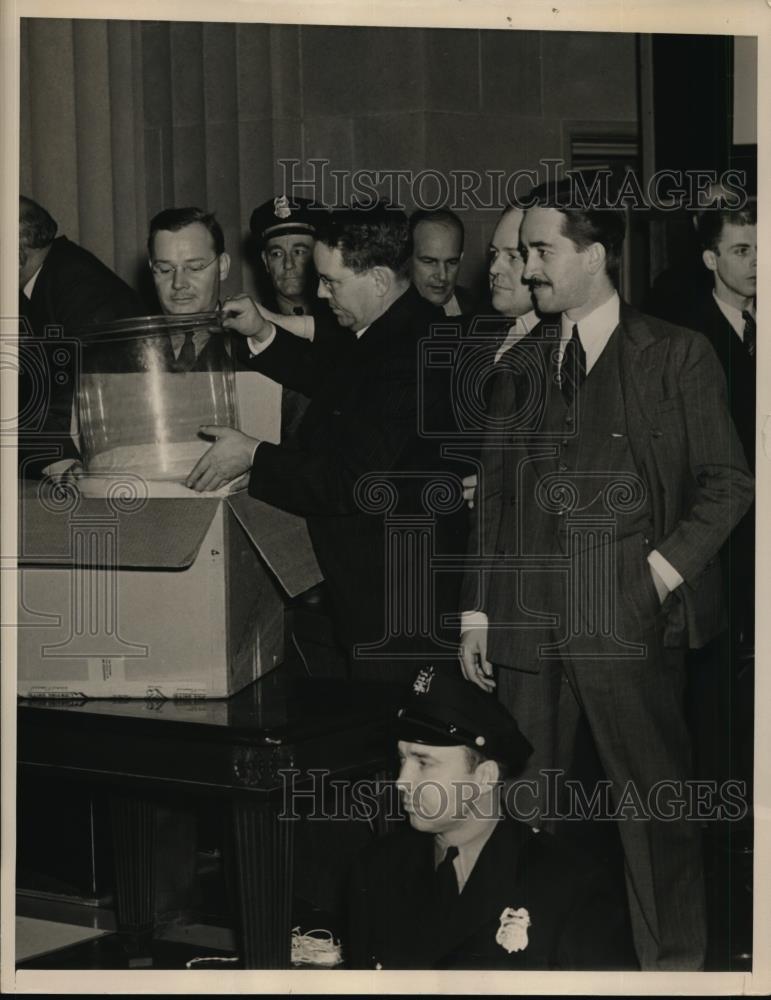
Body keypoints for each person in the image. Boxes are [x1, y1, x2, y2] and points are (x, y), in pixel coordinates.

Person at [458, 178, 754, 970]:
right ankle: (518, 967)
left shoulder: (674, 353)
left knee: (652, 812)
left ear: (593, 255)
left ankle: (674, 974)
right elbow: (491, 499)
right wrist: (477, 614)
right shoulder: (517, 360)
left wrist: (655, 576)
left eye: (541, 251)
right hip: (523, 625)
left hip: (624, 620)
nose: (526, 269)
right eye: (521, 254)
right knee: (521, 812)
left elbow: (729, 483)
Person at [185, 204, 469, 681]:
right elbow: (337, 379)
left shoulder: (412, 352)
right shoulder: (393, 329)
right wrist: (262, 332)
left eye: (332, 282)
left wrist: (251, 455)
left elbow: (349, 482)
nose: (319, 292)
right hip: (377, 586)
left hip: (398, 602)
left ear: (378, 279)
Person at [347, 666, 636, 970]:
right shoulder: (376, 871)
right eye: (402, 759)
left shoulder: (568, 887)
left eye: (423, 762)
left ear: (484, 777)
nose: (402, 781)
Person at [17, 195, 140, 478]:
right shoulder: (51, 276)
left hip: (116, 462)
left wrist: (57, 459)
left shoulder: (79, 284)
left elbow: (74, 383)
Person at [147, 206, 231, 368]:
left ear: (222, 266)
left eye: (195, 268)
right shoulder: (125, 351)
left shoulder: (255, 342)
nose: (178, 283)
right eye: (165, 269)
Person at [409, 208, 475, 317]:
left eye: (452, 262)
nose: (443, 276)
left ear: (461, 258)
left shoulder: (482, 309)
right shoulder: (387, 315)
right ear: (407, 258)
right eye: (429, 261)